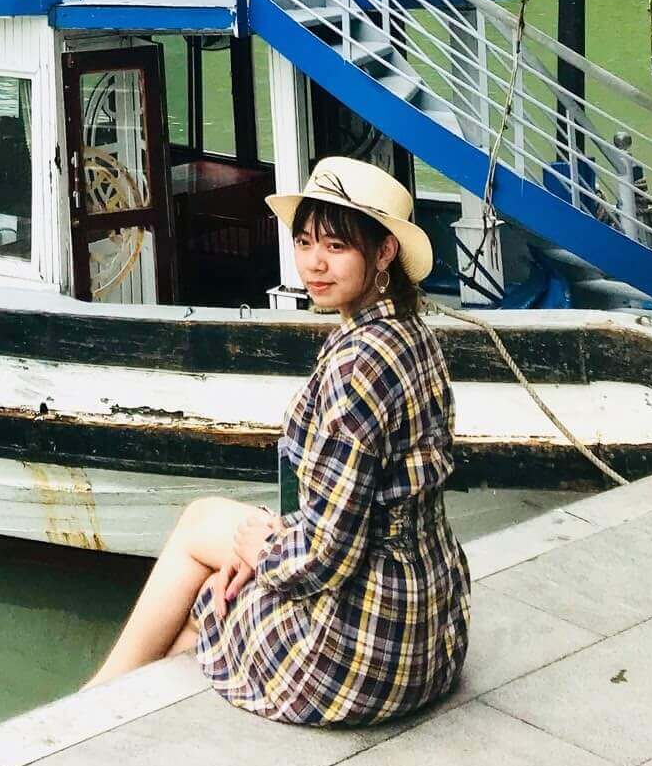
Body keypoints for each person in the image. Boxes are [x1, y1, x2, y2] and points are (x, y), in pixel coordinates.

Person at [86, 156, 470, 726]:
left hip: (366, 655)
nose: (314, 263)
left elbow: (326, 557)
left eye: (337, 247)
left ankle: (93, 704)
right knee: (209, 545)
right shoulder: (410, 334)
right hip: (431, 628)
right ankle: (109, 701)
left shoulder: (357, 368)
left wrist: (261, 550)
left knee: (208, 591)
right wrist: (268, 542)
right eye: (305, 242)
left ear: (384, 252)